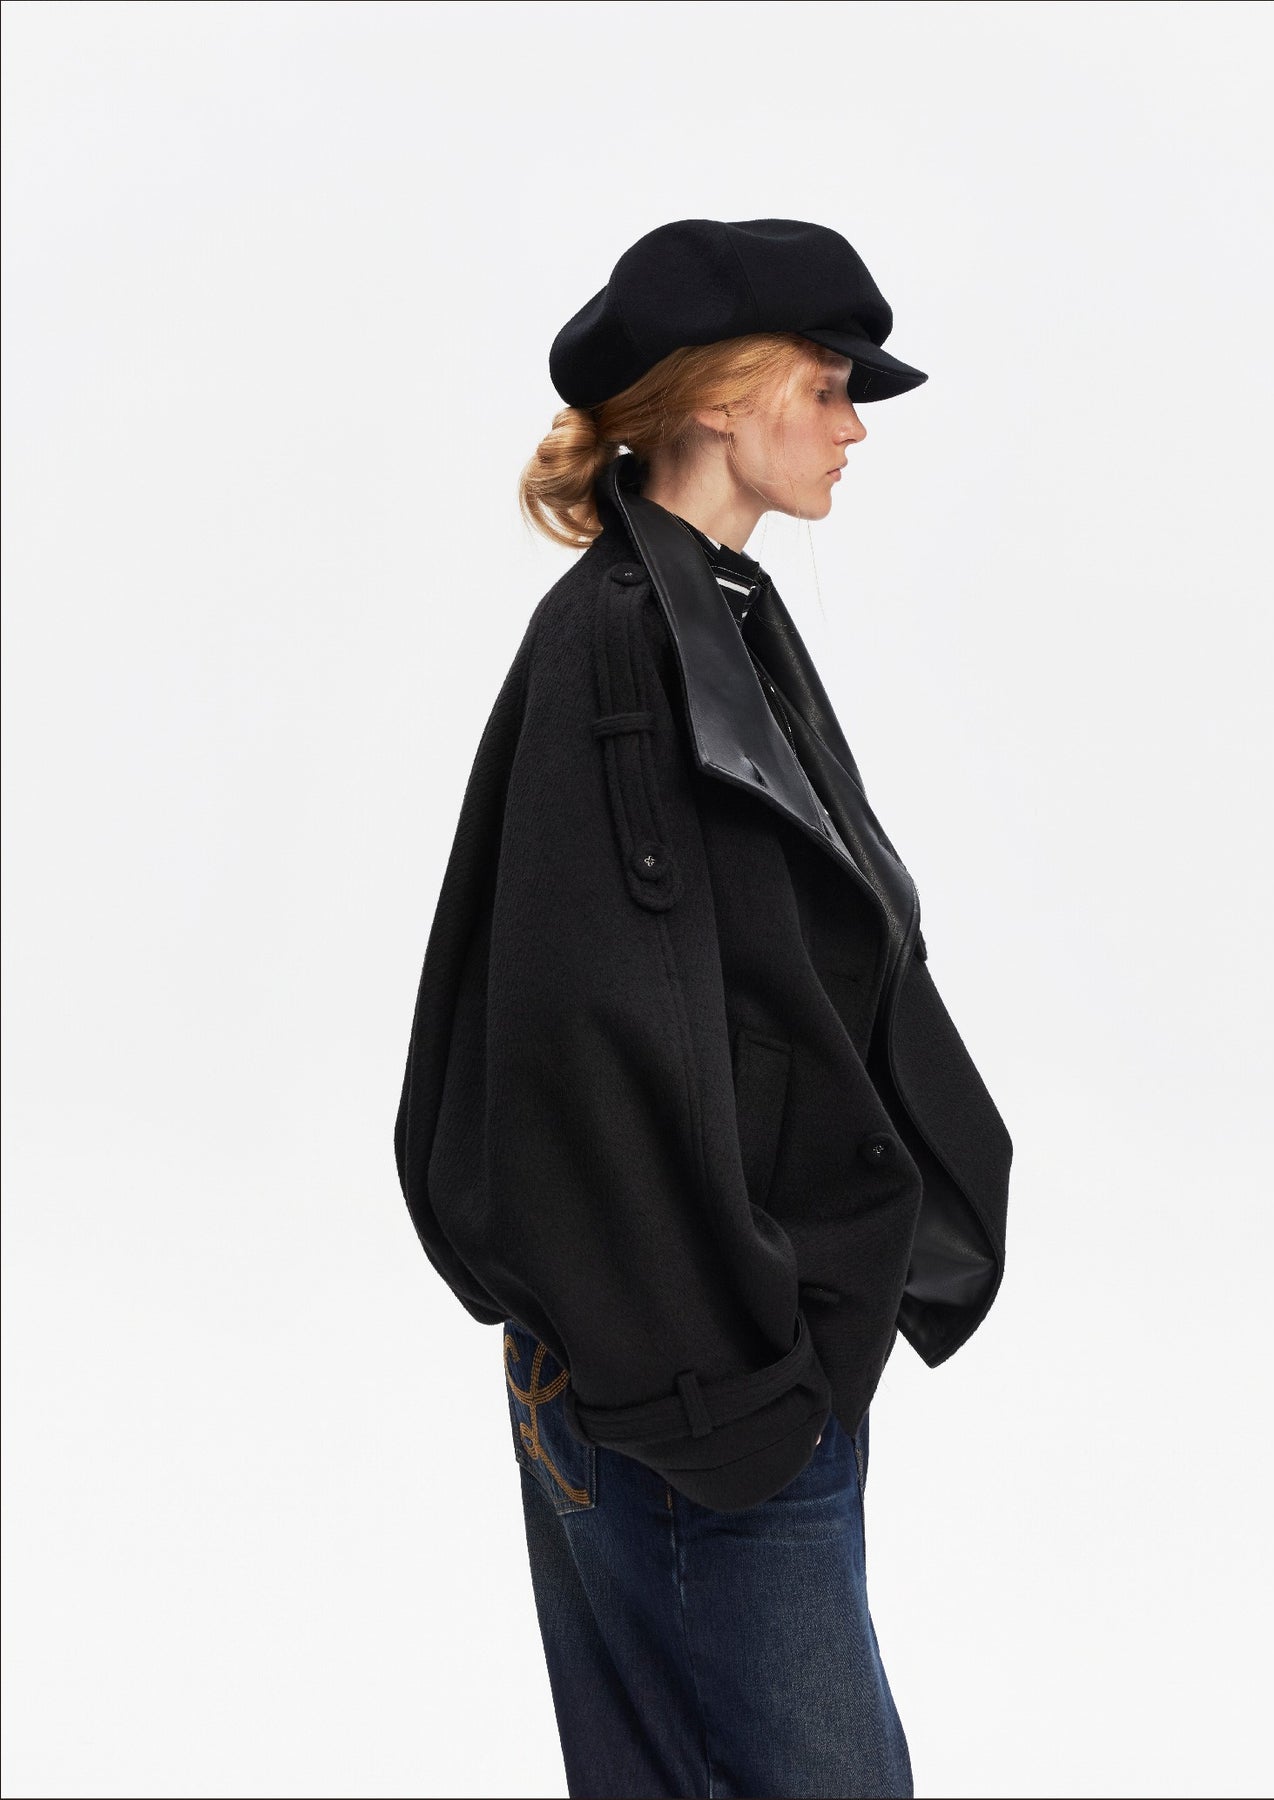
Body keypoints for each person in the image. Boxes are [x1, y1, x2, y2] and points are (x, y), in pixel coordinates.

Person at [393, 218, 1014, 1800]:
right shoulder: (624, 645)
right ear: (722, 399)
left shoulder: (709, 615)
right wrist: (736, 1366)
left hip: (719, 1355)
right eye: (828, 384)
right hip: (694, 1375)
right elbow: (576, 1038)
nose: (854, 426)